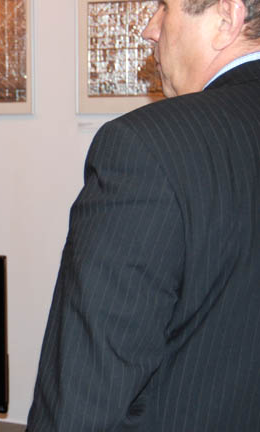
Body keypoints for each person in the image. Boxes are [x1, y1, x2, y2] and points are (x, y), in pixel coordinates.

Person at [26, 0, 260, 430]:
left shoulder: (144, 147)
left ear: (226, 19)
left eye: (165, 8)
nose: (150, 29)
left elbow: (86, 391)